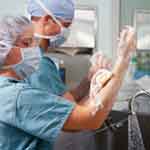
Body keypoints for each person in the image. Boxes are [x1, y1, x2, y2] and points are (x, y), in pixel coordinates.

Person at [0, 14, 136, 150]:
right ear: (4, 48)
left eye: (33, 42)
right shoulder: (18, 97)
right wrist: (123, 60)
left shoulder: (6, 89)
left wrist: (91, 80)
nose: (34, 49)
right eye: (26, 43)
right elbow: (91, 118)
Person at [27, 0, 112, 149]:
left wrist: (89, 79)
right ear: (47, 20)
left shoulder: (27, 56)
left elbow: (60, 99)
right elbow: (77, 118)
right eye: (65, 26)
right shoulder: (38, 63)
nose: (66, 32)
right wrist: (104, 86)